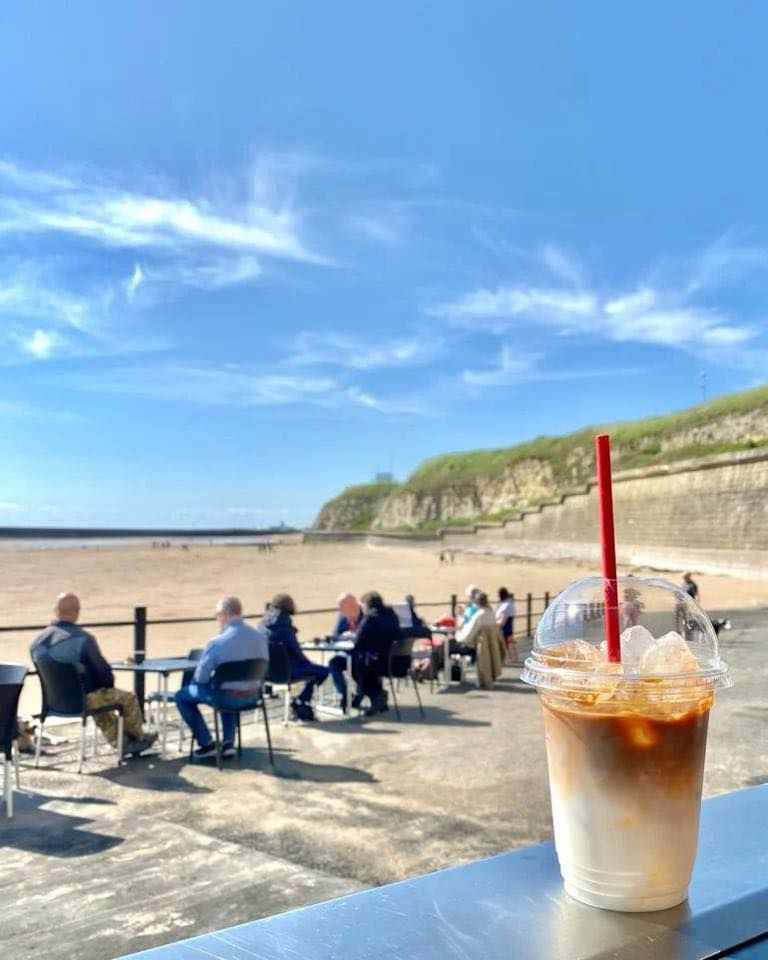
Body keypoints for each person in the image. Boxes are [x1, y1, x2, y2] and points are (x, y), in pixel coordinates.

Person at [31, 593, 156, 757]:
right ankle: (138, 737)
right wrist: (106, 686)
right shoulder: (82, 639)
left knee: (99, 701)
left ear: (56, 611)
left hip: (54, 702)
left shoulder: (36, 643)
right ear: (77, 612)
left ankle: (124, 743)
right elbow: (103, 673)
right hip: (84, 699)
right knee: (125, 698)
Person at [175, 596, 268, 758]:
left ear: (224, 615)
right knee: (226, 687)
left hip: (227, 699)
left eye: (217, 616)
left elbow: (200, 677)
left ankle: (206, 743)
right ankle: (228, 743)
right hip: (255, 696)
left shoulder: (217, 642)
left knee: (182, 696)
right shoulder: (259, 637)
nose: (217, 619)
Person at [262, 593, 346, 718]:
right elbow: (296, 651)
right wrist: (307, 662)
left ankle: (301, 701)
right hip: (287, 672)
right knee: (322, 671)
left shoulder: (262, 625)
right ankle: (301, 700)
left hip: (266, 674)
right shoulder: (285, 626)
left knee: (313, 672)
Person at [352, 591, 401, 716]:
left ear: (367, 605)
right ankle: (375, 698)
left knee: (353, 665)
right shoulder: (392, 616)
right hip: (392, 661)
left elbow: (357, 642)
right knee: (362, 667)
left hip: (373, 662)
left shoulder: (370, 618)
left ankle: (372, 695)